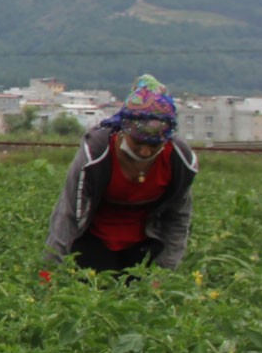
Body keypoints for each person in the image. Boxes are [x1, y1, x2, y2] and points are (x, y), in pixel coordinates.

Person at [45, 75, 198, 273]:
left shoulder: (179, 160)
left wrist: (165, 271)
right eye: (138, 143)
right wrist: (49, 272)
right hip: (94, 240)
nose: (145, 152)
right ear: (123, 130)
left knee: (138, 297)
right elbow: (68, 216)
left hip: (146, 244)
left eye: (154, 145)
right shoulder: (96, 154)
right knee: (96, 291)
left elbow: (177, 219)